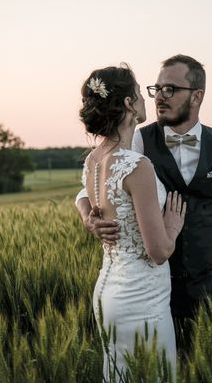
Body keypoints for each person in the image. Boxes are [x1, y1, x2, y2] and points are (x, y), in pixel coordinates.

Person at [77, 55, 212, 332]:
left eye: (171, 89)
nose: (160, 97)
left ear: (196, 96)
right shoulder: (135, 141)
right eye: (156, 89)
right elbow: (88, 188)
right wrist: (88, 218)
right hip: (160, 284)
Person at [78, 64, 186, 382]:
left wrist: (88, 217)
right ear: (128, 103)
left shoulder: (93, 159)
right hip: (143, 300)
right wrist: (174, 224)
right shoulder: (137, 166)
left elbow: (85, 197)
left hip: (108, 294)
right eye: (139, 92)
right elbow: (158, 251)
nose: (144, 99)